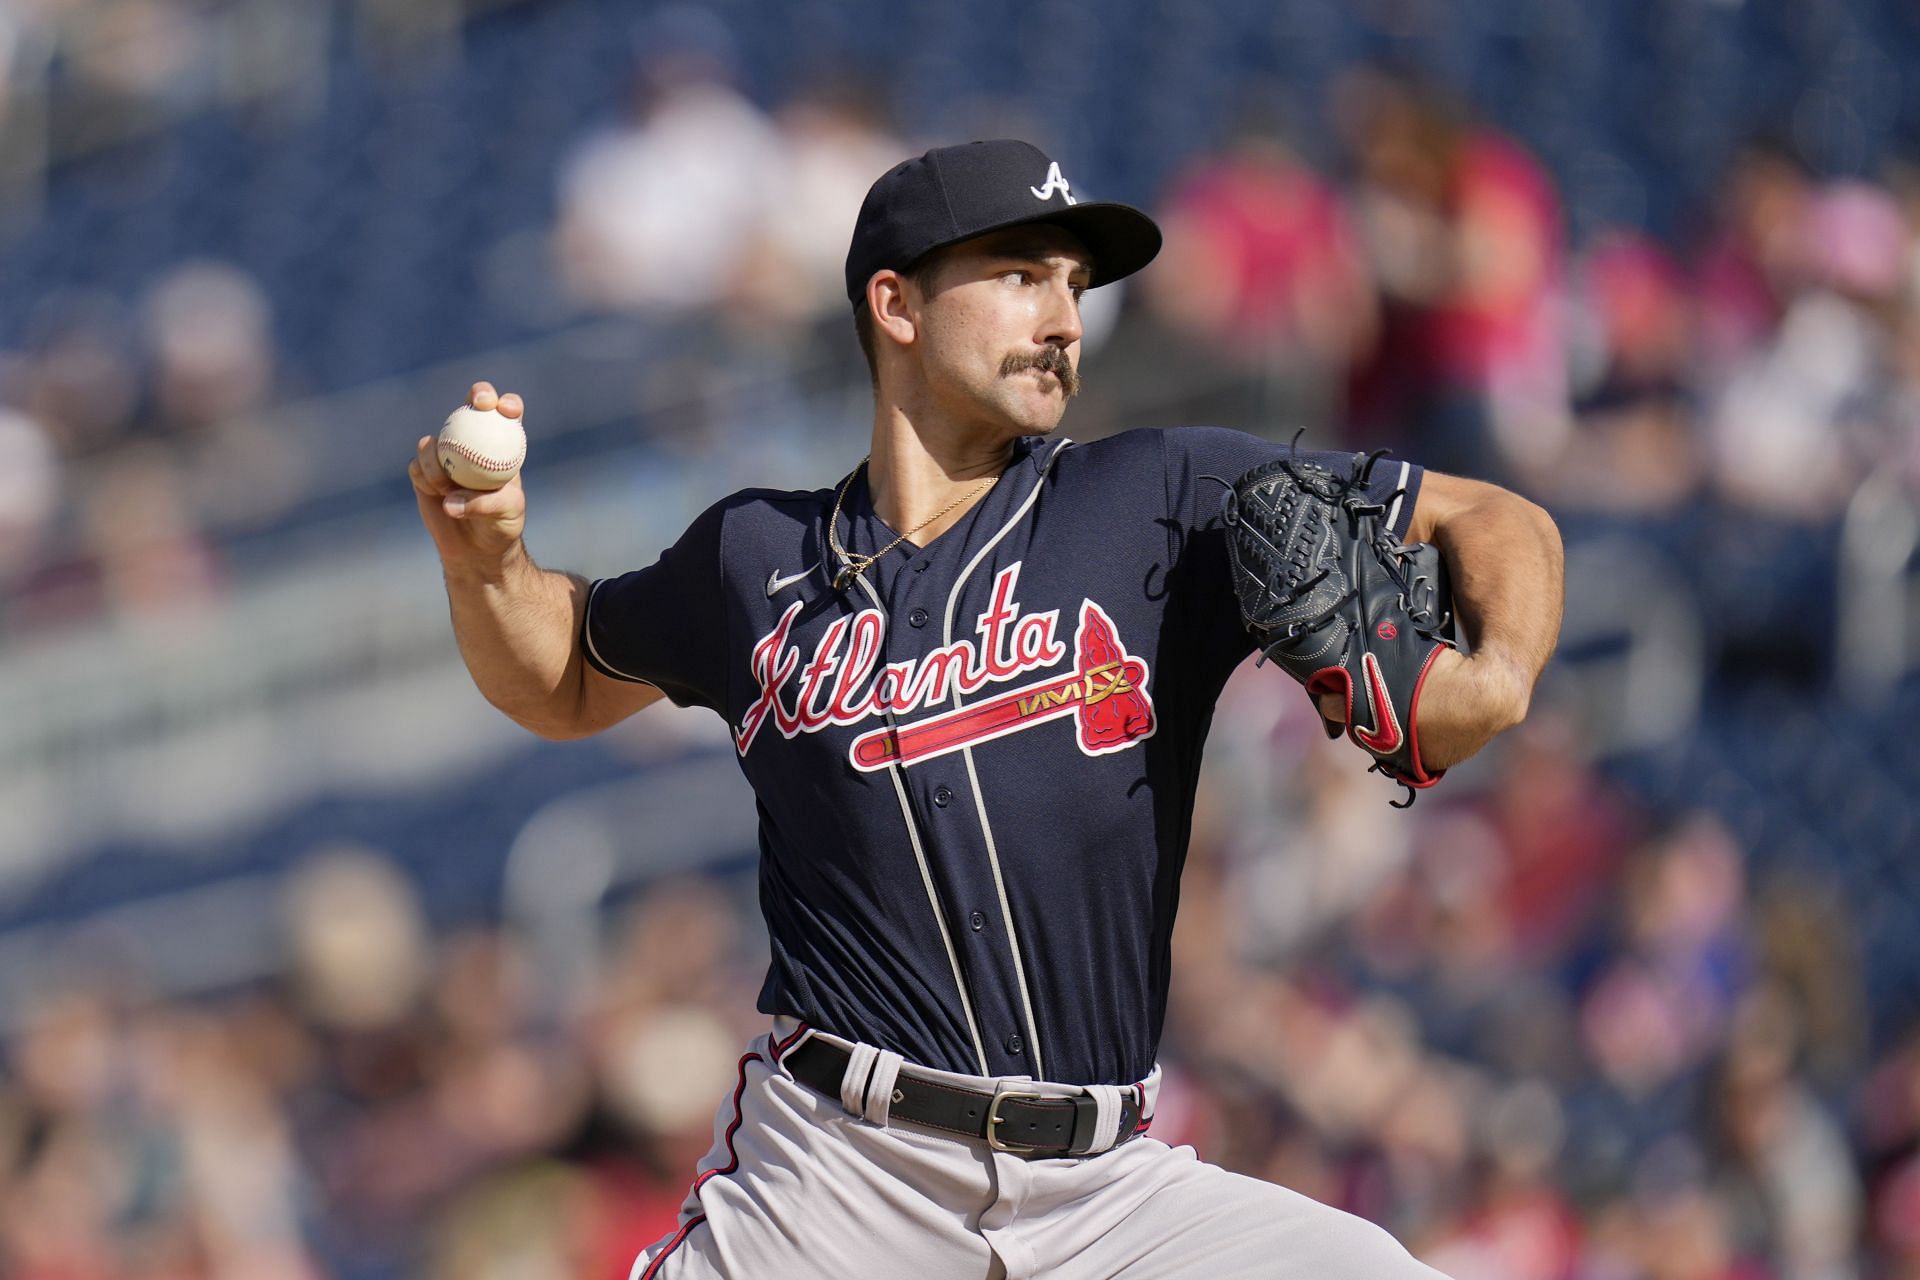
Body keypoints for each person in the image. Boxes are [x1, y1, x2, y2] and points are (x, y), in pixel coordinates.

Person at [409, 139, 1563, 1279]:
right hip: (839, 1183)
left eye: (1073, 282)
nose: (1063, 314)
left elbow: (1497, 520)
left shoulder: (1158, 495)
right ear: (896, 302)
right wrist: (486, 566)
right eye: (1020, 273)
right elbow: (559, 677)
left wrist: (1494, 675)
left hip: (1110, 1189)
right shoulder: (752, 556)